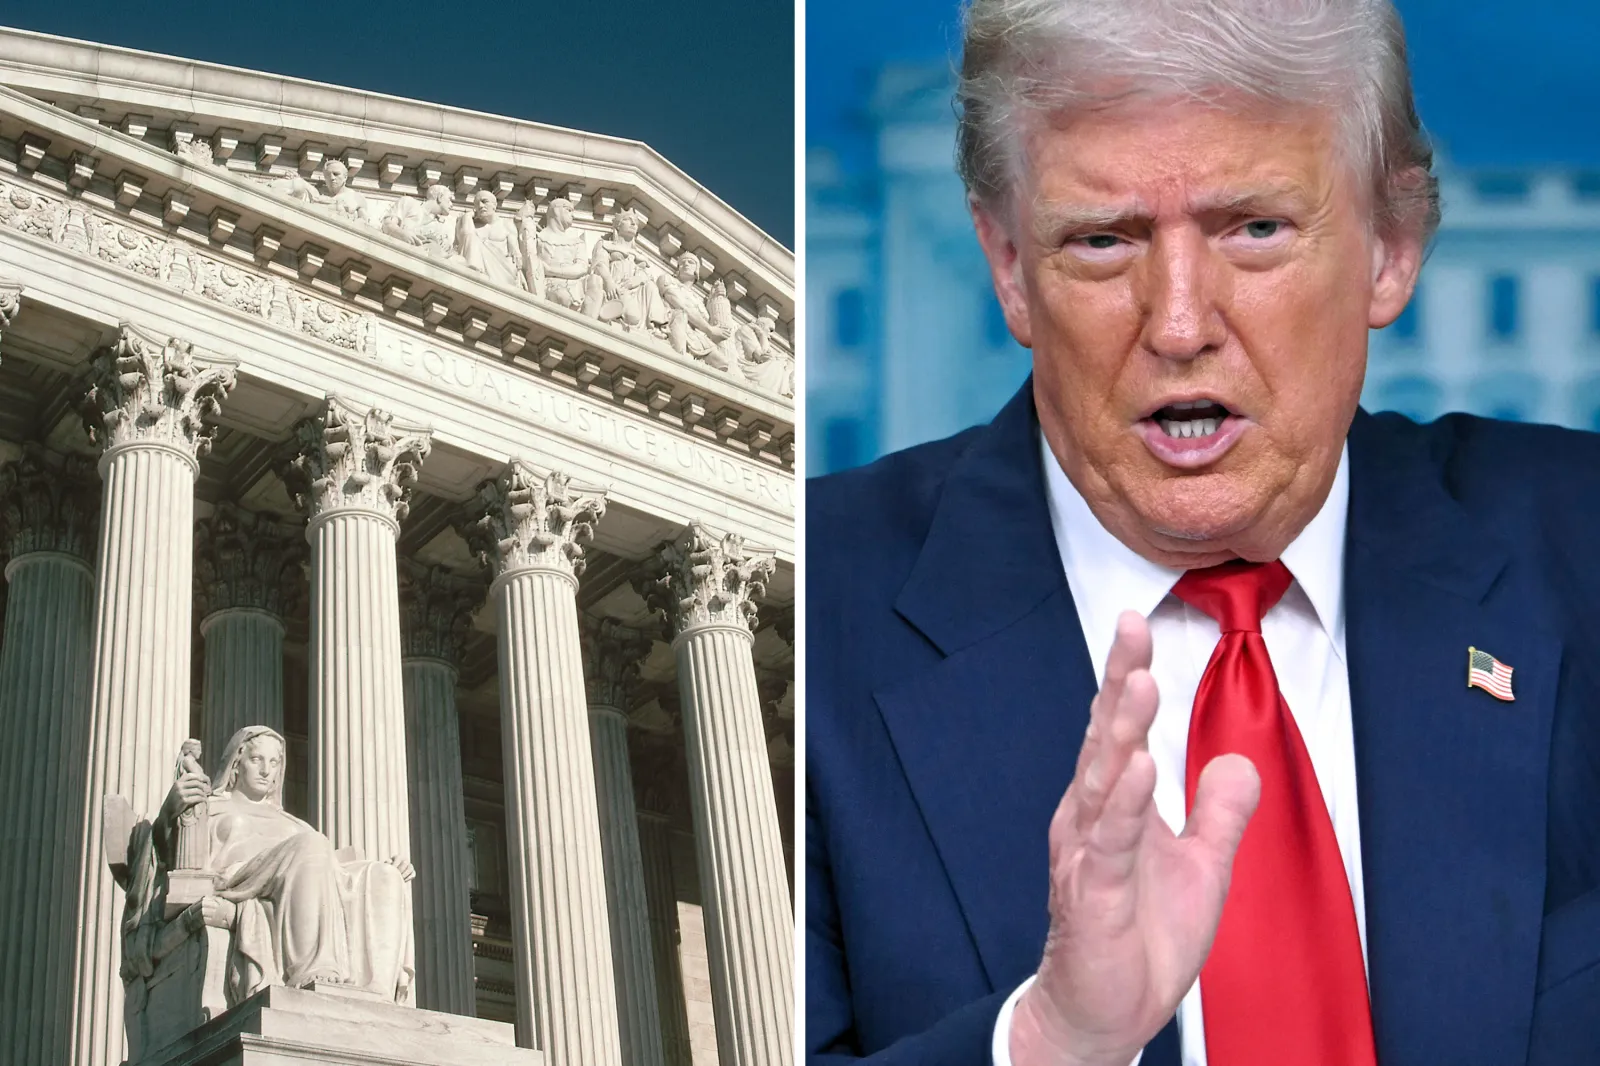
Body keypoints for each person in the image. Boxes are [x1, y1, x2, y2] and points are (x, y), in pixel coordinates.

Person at [805, 1, 1600, 1065]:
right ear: (1007, 267)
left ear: (1391, 247)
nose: (1178, 322)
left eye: (1253, 229)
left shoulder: (1577, 545)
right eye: (1102, 240)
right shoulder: (814, 600)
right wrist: (1044, 1043)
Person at [125, 726, 417, 1007]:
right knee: (311, 845)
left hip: (292, 883)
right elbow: (163, 859)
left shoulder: (294, 824)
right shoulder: (211, 807)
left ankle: (377, 995)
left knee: (383, 876)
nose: (267, 770)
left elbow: (330, 874)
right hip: (237, 881)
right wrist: (170, 812)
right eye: (257, 760)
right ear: (237, 765)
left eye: (274, 762)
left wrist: (387, 868)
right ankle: (313, 973)